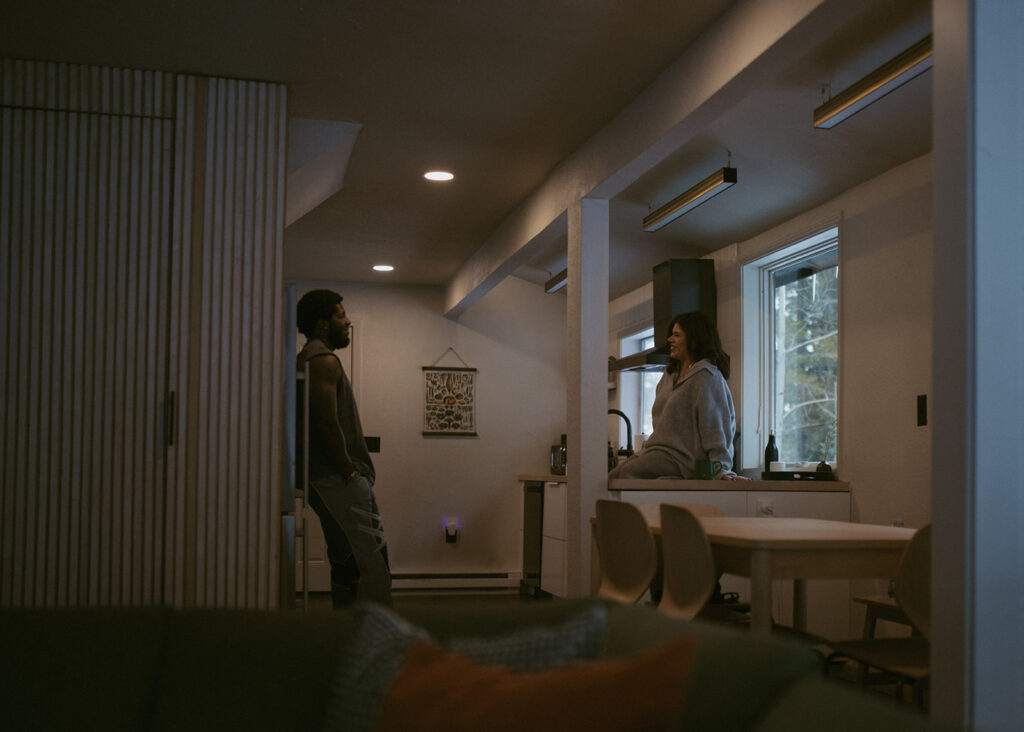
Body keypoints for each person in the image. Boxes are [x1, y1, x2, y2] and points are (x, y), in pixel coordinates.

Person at [296, 289, 391, 606]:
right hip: (336, 477)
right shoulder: (322, 360)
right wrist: (349, 472)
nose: (348, 321)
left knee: (345, 557)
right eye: (340, 315)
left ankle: (346, 630)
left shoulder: (308, 358)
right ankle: (379, 638)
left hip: (324, 476)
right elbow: (326, 423)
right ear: (323, 324)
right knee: (372, 559)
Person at [609, 311, 746, 481]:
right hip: (656, 451)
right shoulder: (669, 374)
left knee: (626, 474)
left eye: (677, 335)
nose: (669, 340)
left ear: (694, 339)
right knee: (611, 477)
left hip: (684, 460)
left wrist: (722, 470)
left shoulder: (707, 377)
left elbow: (716, 427)